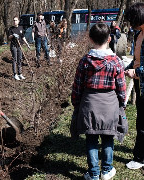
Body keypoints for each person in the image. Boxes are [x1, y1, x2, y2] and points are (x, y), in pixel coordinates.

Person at [71, 23, 127, 180]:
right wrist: (122, 104)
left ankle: (94, 173)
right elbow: (121, 88)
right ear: (109, 39)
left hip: (89, 105)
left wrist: (76, 103)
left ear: (90, 39)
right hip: (110, 105)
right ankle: (107, 170)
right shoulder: (116, 62)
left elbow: (77, 86)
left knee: (91, 138)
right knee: (108, 137)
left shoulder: (84, 61)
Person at [124, 2, 144, 170]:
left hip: (141, 80)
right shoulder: (140, 34)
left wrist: (136, 72)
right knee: (141, 120)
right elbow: (137, 59)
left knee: (143, 122)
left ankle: (140, 158)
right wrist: (127, 67)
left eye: (132, 20)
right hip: (140, 83)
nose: (130, 25)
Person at [8, 16, 30, 80]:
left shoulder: (21, 28)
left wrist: (27, 44)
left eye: (16, 20)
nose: (15, 22)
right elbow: (9, 37)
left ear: (18, 21)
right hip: (14, 46)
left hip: (20, 45)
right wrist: (13, 35)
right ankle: (15, 74)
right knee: (15, 59)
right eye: (14, 20)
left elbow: (23, 37)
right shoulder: (11, 29)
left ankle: (20, 73)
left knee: (20, 59)